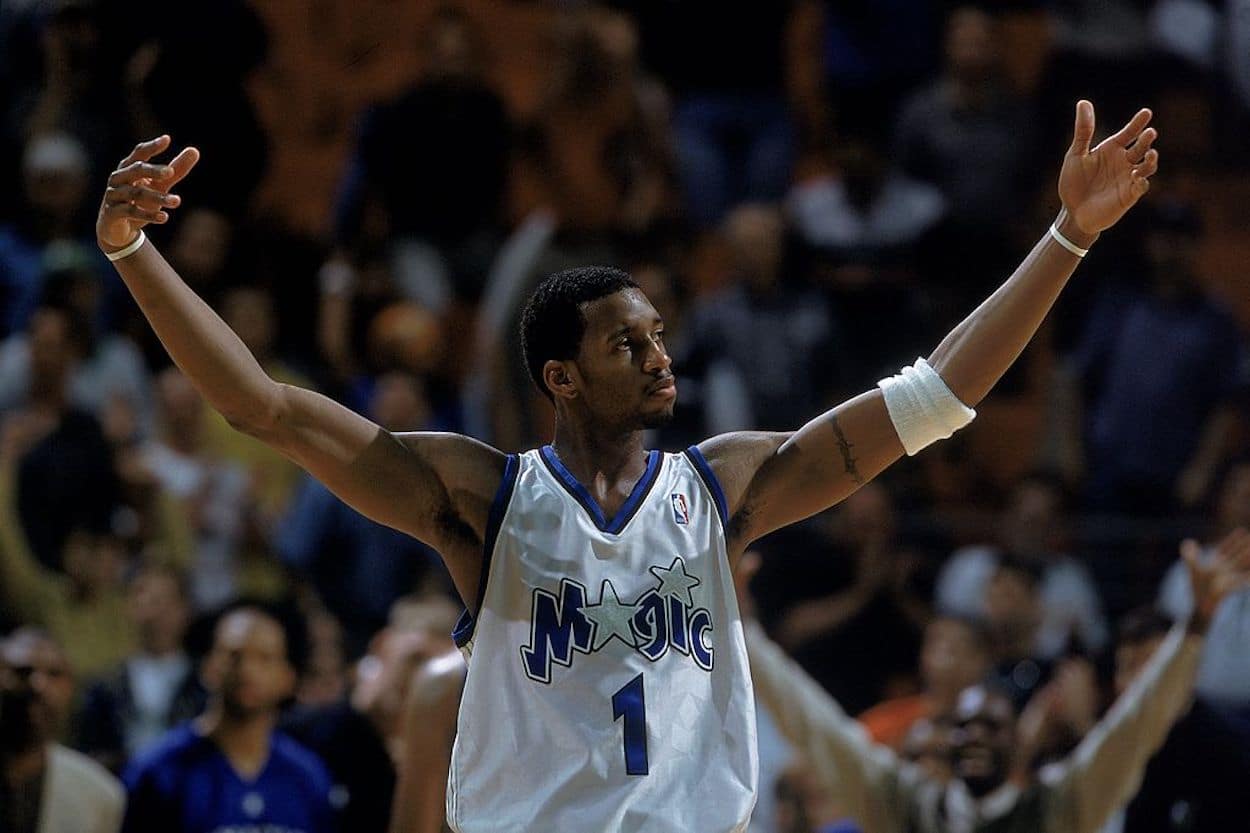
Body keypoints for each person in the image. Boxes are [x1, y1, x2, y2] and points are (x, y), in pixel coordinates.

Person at [95, 96, 1159, 832]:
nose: (660, 357)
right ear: (559, 376)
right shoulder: (481, 494)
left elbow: (933, 400)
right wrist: (135, 256)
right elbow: (262, 407)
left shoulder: (721, 484)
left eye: (658, 335)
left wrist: (1064, 235)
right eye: (626, 343)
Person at [743, 530, 1250, 833]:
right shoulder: (908, 805)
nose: (977, 736)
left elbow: (1135, 729)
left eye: (993, 725)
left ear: (1019, 745)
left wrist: (1195, 628)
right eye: (966, 727)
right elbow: (814, 723)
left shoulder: (1055, 806)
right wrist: (745, 631)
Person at [120, 604, 336, 833]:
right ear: (209, 668)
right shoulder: (159, 770)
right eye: (234, 656)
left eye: (265, 658)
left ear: (288, 678)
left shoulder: (307, 776)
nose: (247, 670)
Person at [0, 627, 125, 833]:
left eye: (54, 674)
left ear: (70, 688)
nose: (38, 685)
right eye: (22, 672)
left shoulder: (97, 794)